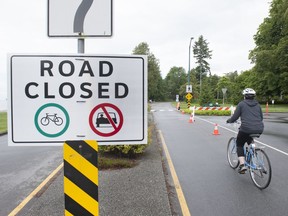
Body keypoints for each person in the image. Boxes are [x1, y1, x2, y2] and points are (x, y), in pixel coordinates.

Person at [226, 88, 264, 174]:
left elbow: (235, 117)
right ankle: (254, 149)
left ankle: (242, 165)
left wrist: (230, 120)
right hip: (259, 128)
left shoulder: (241, 104)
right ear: (253, 96)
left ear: (244, 96)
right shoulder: (258, 105)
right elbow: (261, 117)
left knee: (239, 144)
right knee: (249, 139)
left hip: (246, 128)